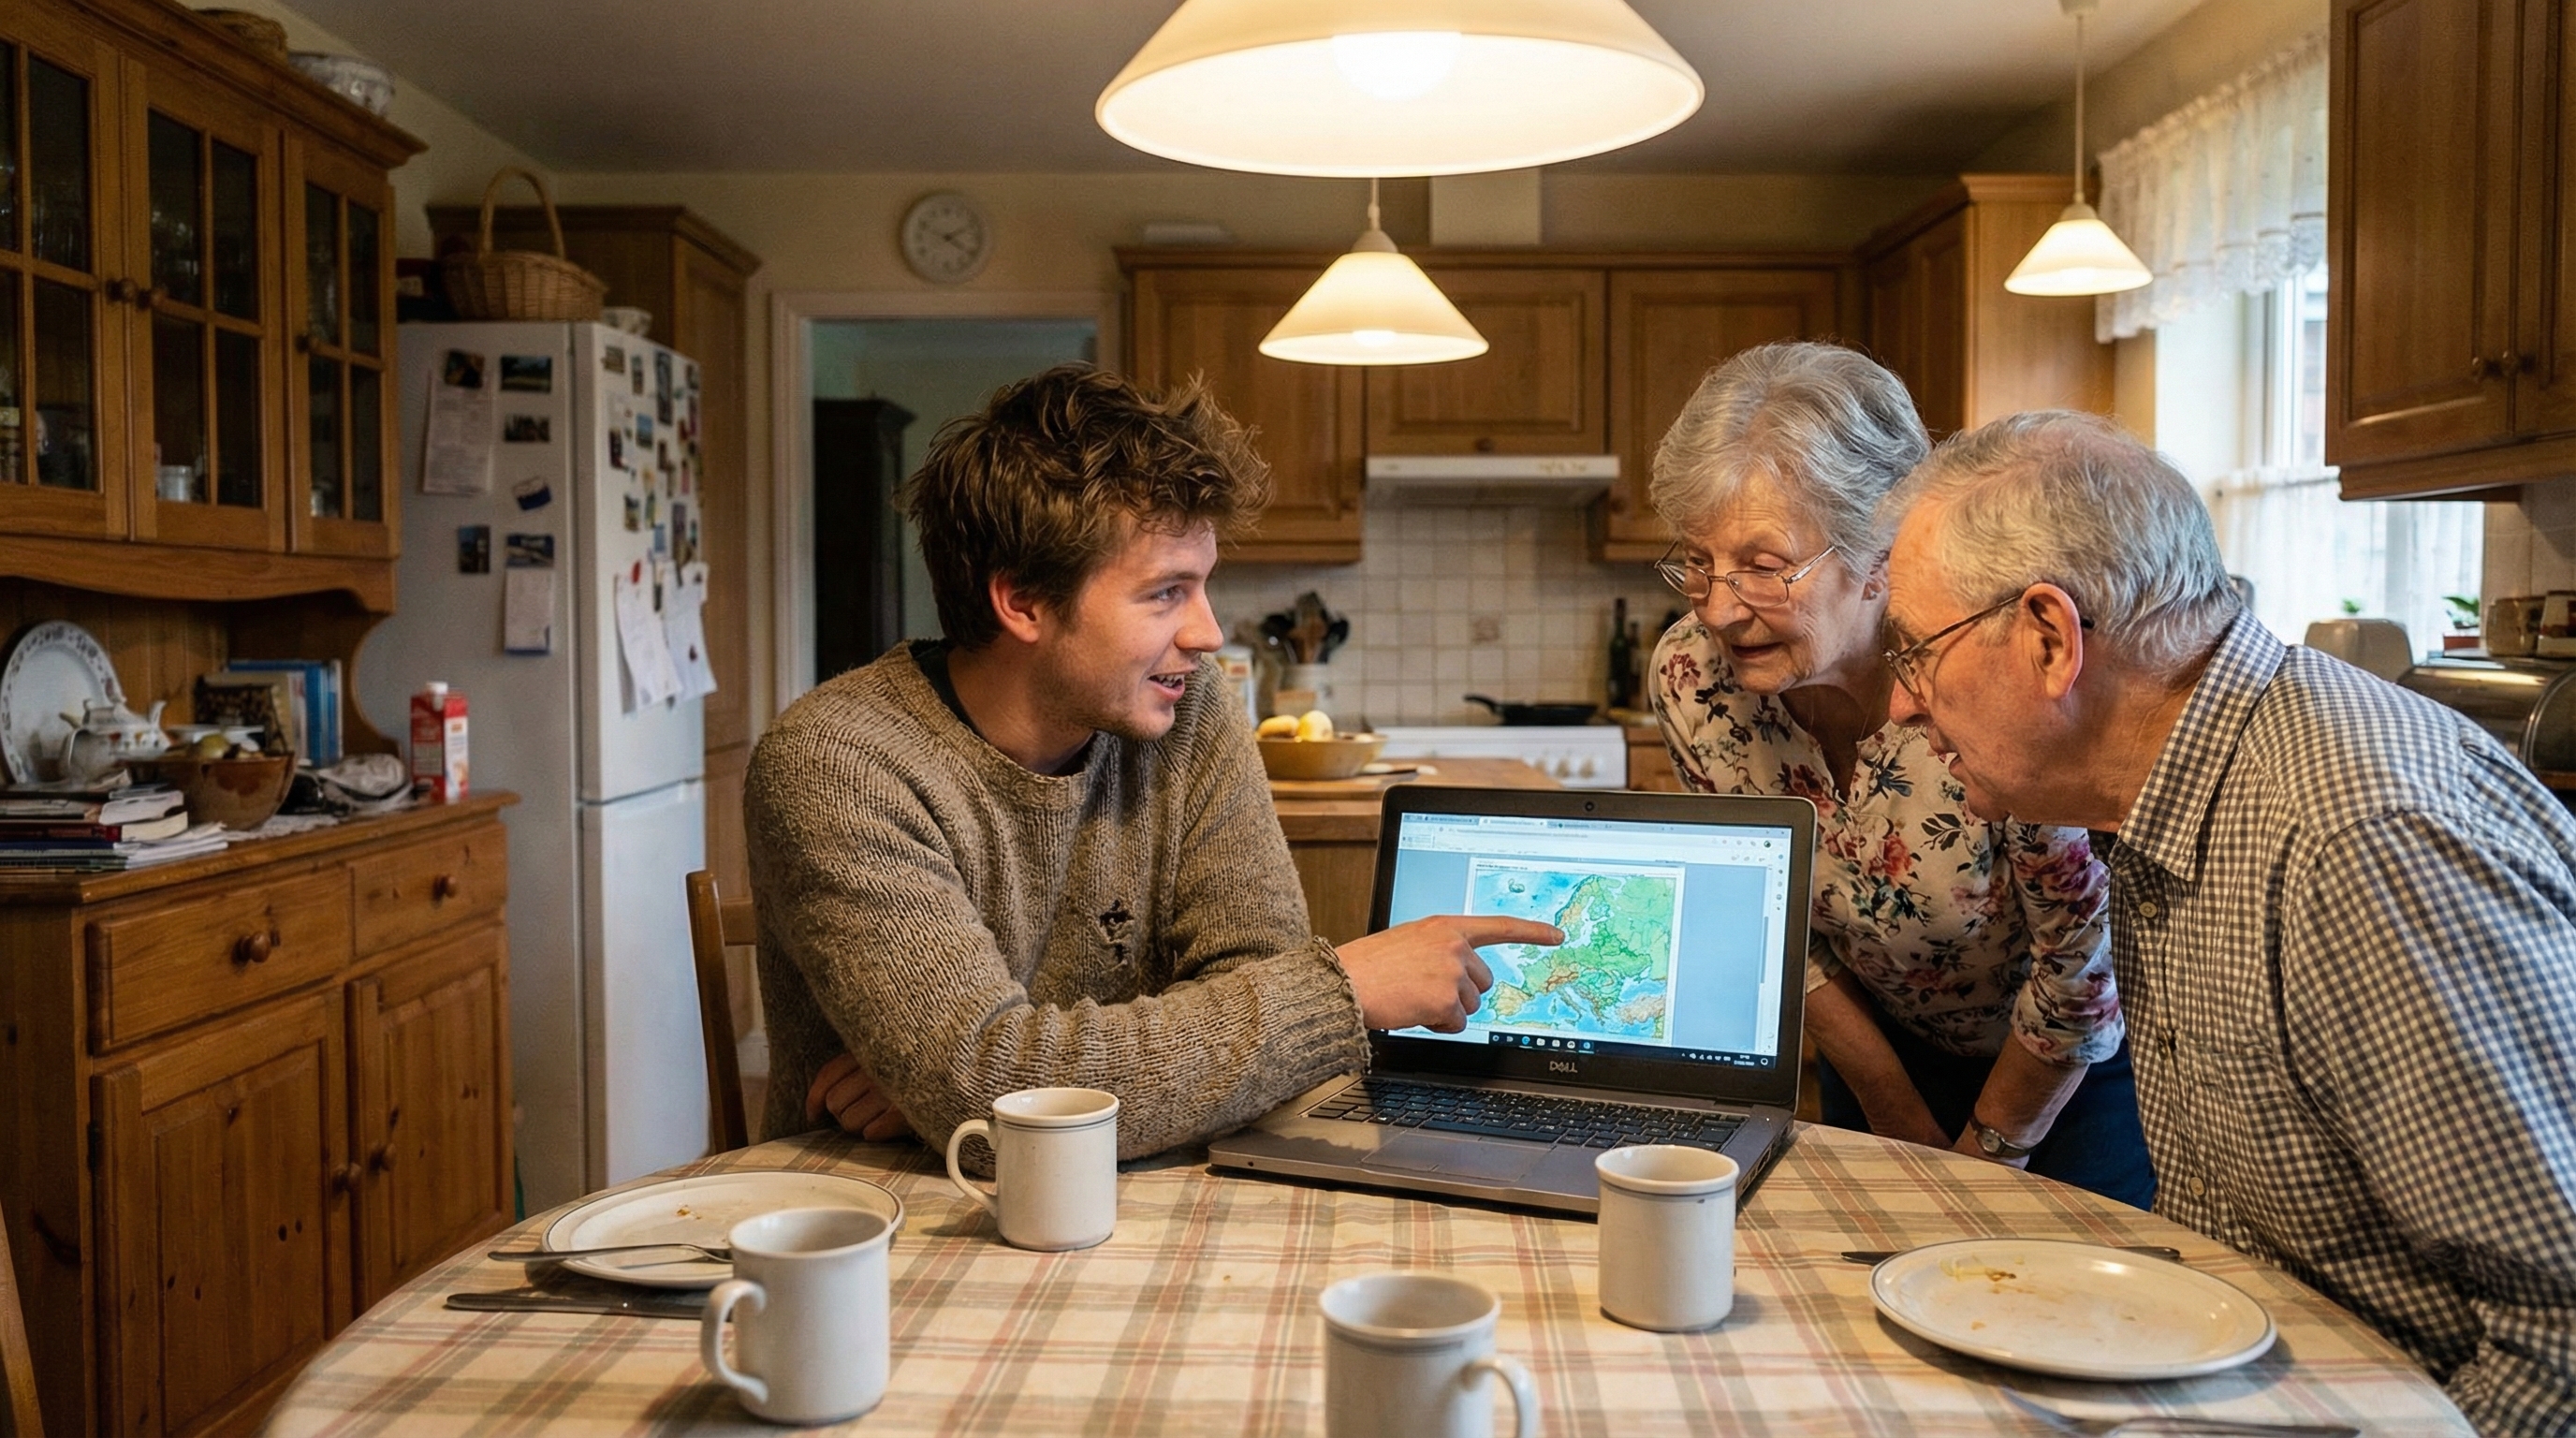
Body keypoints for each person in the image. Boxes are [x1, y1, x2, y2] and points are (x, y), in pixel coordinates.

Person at [1877, 409, 2576, 1433]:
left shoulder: (2356, 842)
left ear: (2049, 640)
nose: (1901, 706)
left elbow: (2561, 1341)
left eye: (1914, 653)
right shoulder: (2162, 801)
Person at [745, 364, 1557, 1159]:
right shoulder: (839, 765)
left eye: (1203, 586)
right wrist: (1341, 993)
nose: (1208, 634)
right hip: (880, 1209)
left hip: (1146, 1187)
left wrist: (990, 1077)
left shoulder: (1189, 711)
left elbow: (1250, 987)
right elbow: (990, 1099)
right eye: (1167, 592)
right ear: (1022, 600)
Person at [1645, 342, 2150, 1207]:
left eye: (1763, 567)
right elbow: (1776, 925)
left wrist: (1984, 1155)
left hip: (2068, 1077)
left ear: (1879, 553)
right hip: (1877, 1061)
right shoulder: (1694, 679)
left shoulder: (1992, 676)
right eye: (1698, 561)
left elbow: (2079, 965)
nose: (1720, 609)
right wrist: (1894, 1107)